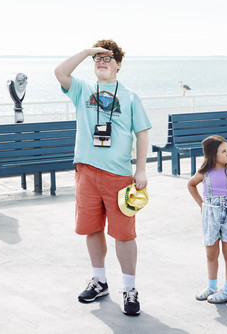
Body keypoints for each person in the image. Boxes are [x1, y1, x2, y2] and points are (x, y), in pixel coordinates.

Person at [54, 39, 151, 316]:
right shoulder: (83, 89)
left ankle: (130, 289)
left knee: (124, 233)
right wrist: (86, 51)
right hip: (86, 172)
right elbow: (60, 73)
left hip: (118, 176)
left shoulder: (130, 96)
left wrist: (140, 170)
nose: (102, 62)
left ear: (118, 65)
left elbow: (142, 133)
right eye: (98, 58)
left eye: (108, 58)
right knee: (92, 228)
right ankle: (99, 280)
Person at [187, 135, 227, 304]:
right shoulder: (204, 172)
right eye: (223, 151)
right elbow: (190, 184)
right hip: (210, 214)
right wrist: (201, 205)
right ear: (213, 155)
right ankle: (212, 287)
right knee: (211, 253)